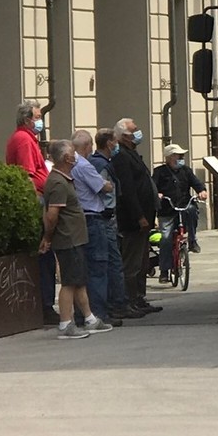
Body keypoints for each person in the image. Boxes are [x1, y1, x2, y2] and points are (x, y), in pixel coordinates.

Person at [40, 140, 114, 339]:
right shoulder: (57, 182)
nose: (76, 157)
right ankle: (65, 324)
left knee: (79, 280)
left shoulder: (65, 178)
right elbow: (52, 214)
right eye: (73, 154)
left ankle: (89, 318)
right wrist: (48, 237)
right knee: (70, 282)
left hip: (75, 238)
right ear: (66, 158)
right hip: (68, 239)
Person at [5, 100, 57, 325]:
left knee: (45, 257)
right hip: (37, 200)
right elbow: (27, 176)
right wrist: (37, 209)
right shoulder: (24, 140)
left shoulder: (28, 138)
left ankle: (46, 304)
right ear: (27, 120)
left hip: (40, 196)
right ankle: (45, 306)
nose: (40, 121)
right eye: (37, 117)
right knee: (44, 255)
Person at [90, 128, 143, 320]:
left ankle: (117, 303)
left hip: (106, 218)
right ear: (110, 143)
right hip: (104, 218)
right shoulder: (101, 164)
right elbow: (103, 190)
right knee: (111, 263)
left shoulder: (104, 162)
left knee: (112, 262)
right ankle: (116, 304)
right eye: (115, 141)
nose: (116, 145)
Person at [69, 130, 121, 327]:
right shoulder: (84, 165)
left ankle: (82, 313)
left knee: (82, 270)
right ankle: (97, 314)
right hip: (93, 218)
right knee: (98, 267)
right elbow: (103, 187)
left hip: (79, 219)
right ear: (87, 146)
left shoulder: (70, 165)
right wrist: (108, 184)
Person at [111, 118, 162, 314]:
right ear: (125, 136)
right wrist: (139, 216)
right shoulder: (122, 157)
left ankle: (139, 298)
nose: (139, 133)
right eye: (135, 131)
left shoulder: (131, 153)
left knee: (142, 261)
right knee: (131, 262)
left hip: (145, 216)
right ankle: (128, 301)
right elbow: (129, 190)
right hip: (133, 219)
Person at [152, 144, 209, 282]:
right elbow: (153, 186)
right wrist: (157, 194)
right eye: (179, 156)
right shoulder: (160, 172)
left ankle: (192, 240)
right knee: (165, 238)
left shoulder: (186, 171)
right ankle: (164, 271)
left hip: (184, 205)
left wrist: (201, 191)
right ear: (170, 157)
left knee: (192, 211)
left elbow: (197, 183)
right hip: (167, 209)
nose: (182, 158)